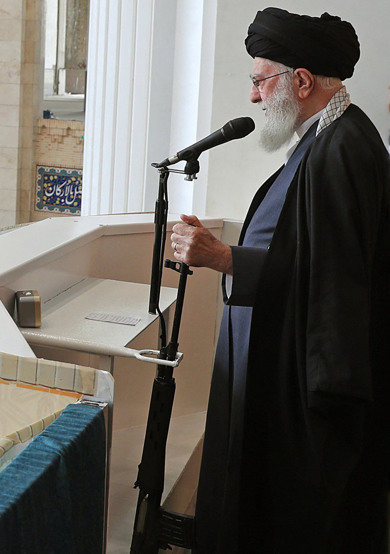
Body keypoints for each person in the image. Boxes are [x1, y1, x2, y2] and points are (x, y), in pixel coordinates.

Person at [167, 8, 390, 552]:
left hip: (308, 408)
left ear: (301, 80)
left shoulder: (342, 149)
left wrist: (226, 259)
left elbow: (335, 285)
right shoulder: (327, 138)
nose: (253, 96)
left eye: (259, 79)